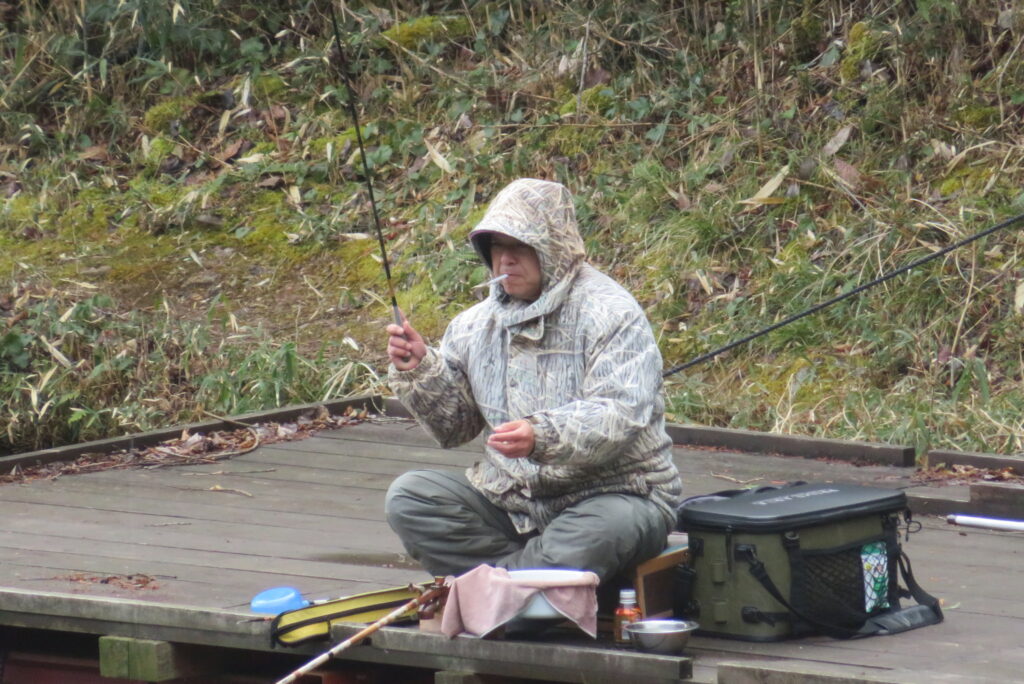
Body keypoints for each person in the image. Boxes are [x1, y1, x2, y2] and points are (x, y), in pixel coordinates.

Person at [384, 178, 682, 585]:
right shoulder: (472, 325)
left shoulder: (611, 313)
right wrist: (419, 370)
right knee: (411, 497)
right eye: (496, 247)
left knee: (598, 531)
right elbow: (454, 428)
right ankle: (534, 582)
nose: (505, 260)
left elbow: (618, 416)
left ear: (553, 250)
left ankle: (499, 587)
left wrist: (541, 435)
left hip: (614, 495)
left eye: (520, 247)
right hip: (511, 503)